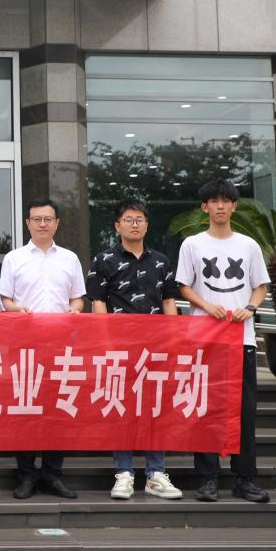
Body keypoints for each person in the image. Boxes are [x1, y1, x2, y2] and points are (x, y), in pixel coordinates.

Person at [176, 178, 271, 505]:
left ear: (234, 206)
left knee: (244, 411)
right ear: (204, 207)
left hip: (241, 339)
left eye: (225, 201)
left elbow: (260, 286)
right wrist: (206, 305)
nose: (220, 206)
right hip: (204, 339)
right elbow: (183, 286)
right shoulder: (192, 244)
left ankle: (245, 479)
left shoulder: (248, 245)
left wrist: (250, 308)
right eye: (214, 201)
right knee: (205, 409)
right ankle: (208, 478)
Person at [86, 199, 183, 502]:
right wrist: (105, 343)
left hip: (157, 348)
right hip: (120, 348)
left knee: (156, 408)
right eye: (128, 219)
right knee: (122, 409)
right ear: (118, 226)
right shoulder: (103, 260)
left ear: (147, 225)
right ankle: (124, 472)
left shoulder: (161, 261)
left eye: (140, 219)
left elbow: (169, 302)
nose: (134, 224)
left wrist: (174, 341)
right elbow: (98, 303)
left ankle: (156, 473)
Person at [0, 196, 84, 500]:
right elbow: (4, 299)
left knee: (58, 409)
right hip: (25, 346)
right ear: (28, 223)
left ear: (57, 223)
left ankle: (52, 474)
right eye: (37, 219)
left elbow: (78, 297)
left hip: (61, 346)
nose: (42, 224)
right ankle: (26, 474)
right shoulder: (14, 258)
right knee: (25, 410)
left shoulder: (70, 258)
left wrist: (75, 310)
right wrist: (15, 309)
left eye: (48, 219)